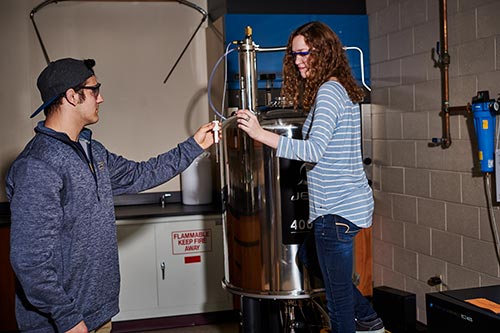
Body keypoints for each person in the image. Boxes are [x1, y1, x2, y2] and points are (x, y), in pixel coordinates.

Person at [6, 58, 219, 333]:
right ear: (72, 96)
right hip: (62, 324)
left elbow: (140, 174)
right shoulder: (37, 166)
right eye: (95, 90)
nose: (101, 98)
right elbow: (30, 261)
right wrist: (68, 319)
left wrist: (193, 146)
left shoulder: (93, 151)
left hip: (97, 314)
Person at [235, 21, 384, 333]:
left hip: (336, 212)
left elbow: (314, 150)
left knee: (338, 300)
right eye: (294, 55)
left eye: (304, 54)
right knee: (308, 256)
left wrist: (261, 134)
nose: (298, 60)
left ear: (324, 52)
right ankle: (370, 321)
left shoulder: (330, 92)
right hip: (346, 207)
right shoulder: (338, 88)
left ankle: (366, 323)